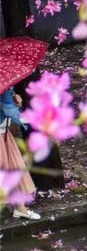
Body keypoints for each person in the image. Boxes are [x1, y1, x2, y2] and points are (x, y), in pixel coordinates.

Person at [0, 87, 41, 219]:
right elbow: (13, 115)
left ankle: (20, 208)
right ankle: (20, 208)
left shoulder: (5, 85)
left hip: (4, 135)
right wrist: (16, 104)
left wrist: (15, 102)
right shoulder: (4, 87)